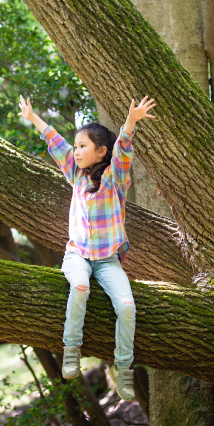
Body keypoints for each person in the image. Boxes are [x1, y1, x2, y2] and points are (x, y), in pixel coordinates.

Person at [18, 94, 155, 402]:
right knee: (79, 287)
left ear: (100, 151)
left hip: (107, 261)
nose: (76, 150)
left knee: (128, 307)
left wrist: (131, 122)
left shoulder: (113, 177)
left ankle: (124, 367)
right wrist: (33, 117)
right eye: (76, 146)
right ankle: (71, 348)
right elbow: (56, 143)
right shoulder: (76, 174)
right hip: (77, 254)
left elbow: (123, 153)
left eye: (82, 146)